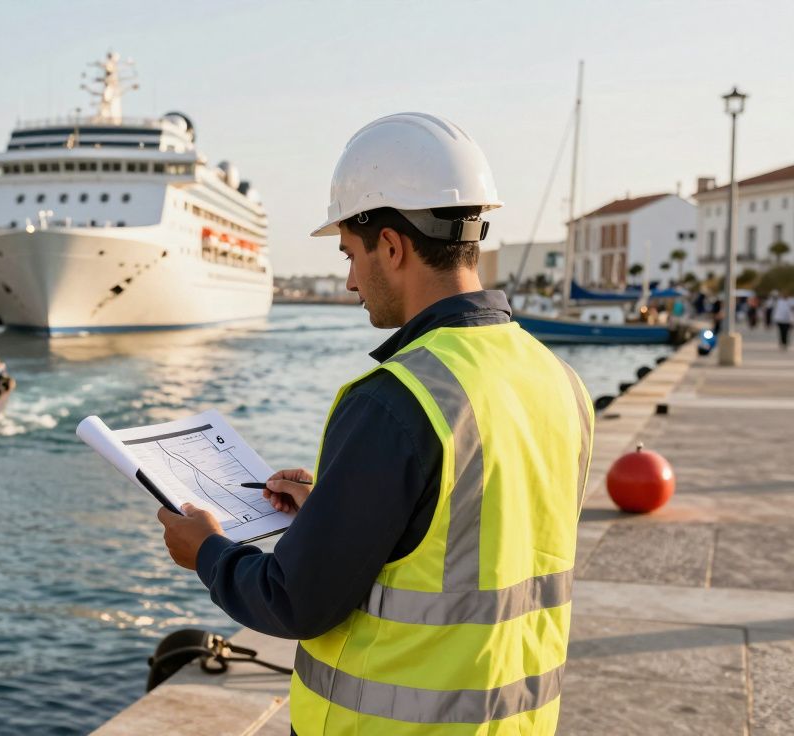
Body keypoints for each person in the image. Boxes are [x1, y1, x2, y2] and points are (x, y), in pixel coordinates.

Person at [158, 113, 593, 735]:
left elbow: (293, 599)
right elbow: (473, 537)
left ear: (391, 245)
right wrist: (333, 511)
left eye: (351, 255)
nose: (349, 280)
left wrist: (207, 551)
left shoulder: (397, 399)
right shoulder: (558, 380)